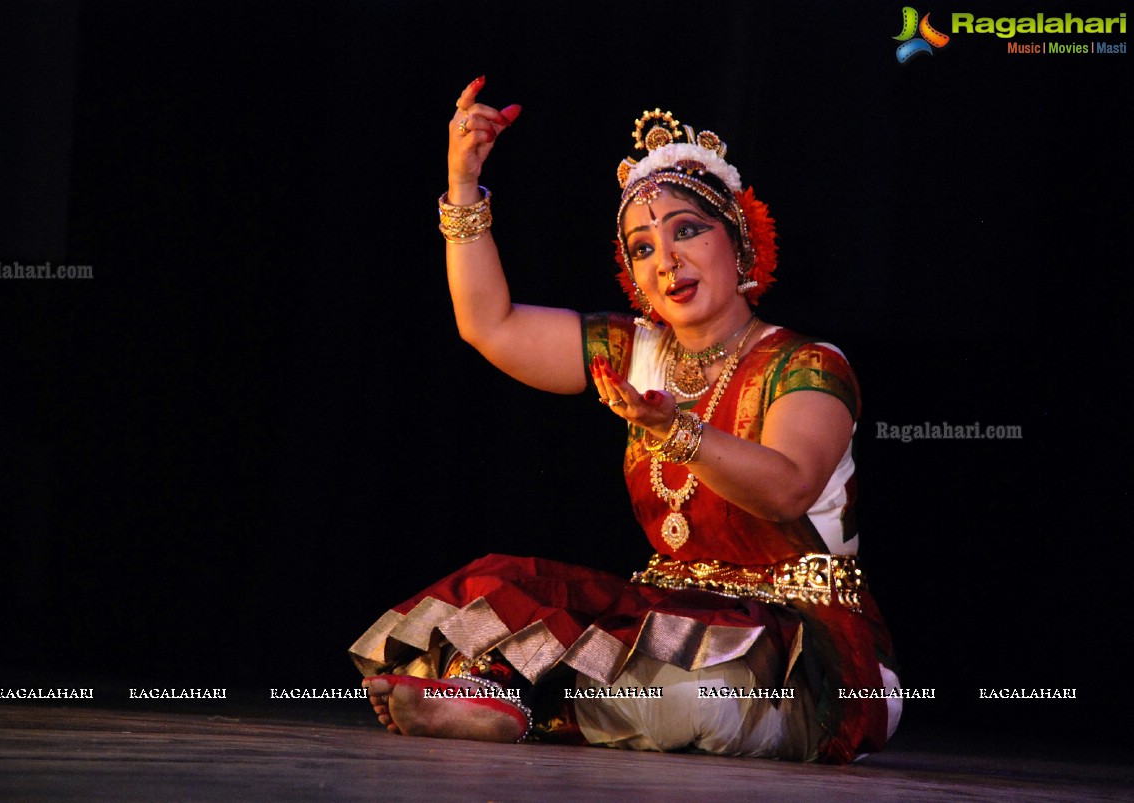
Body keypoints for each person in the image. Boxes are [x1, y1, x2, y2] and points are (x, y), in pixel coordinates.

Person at [351, 76, 901, 763]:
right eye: (641, 247)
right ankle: (501, 697)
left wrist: (676, 430)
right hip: (667, 610)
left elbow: (788, 487)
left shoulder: (805, 364)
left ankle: (515, 694)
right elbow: (487, 324)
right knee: (500, 587)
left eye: (687, 230)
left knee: (699, 696)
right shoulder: (633, 351)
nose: (665, 259)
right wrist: (462, 184)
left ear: (741, 245)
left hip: (805, 645)